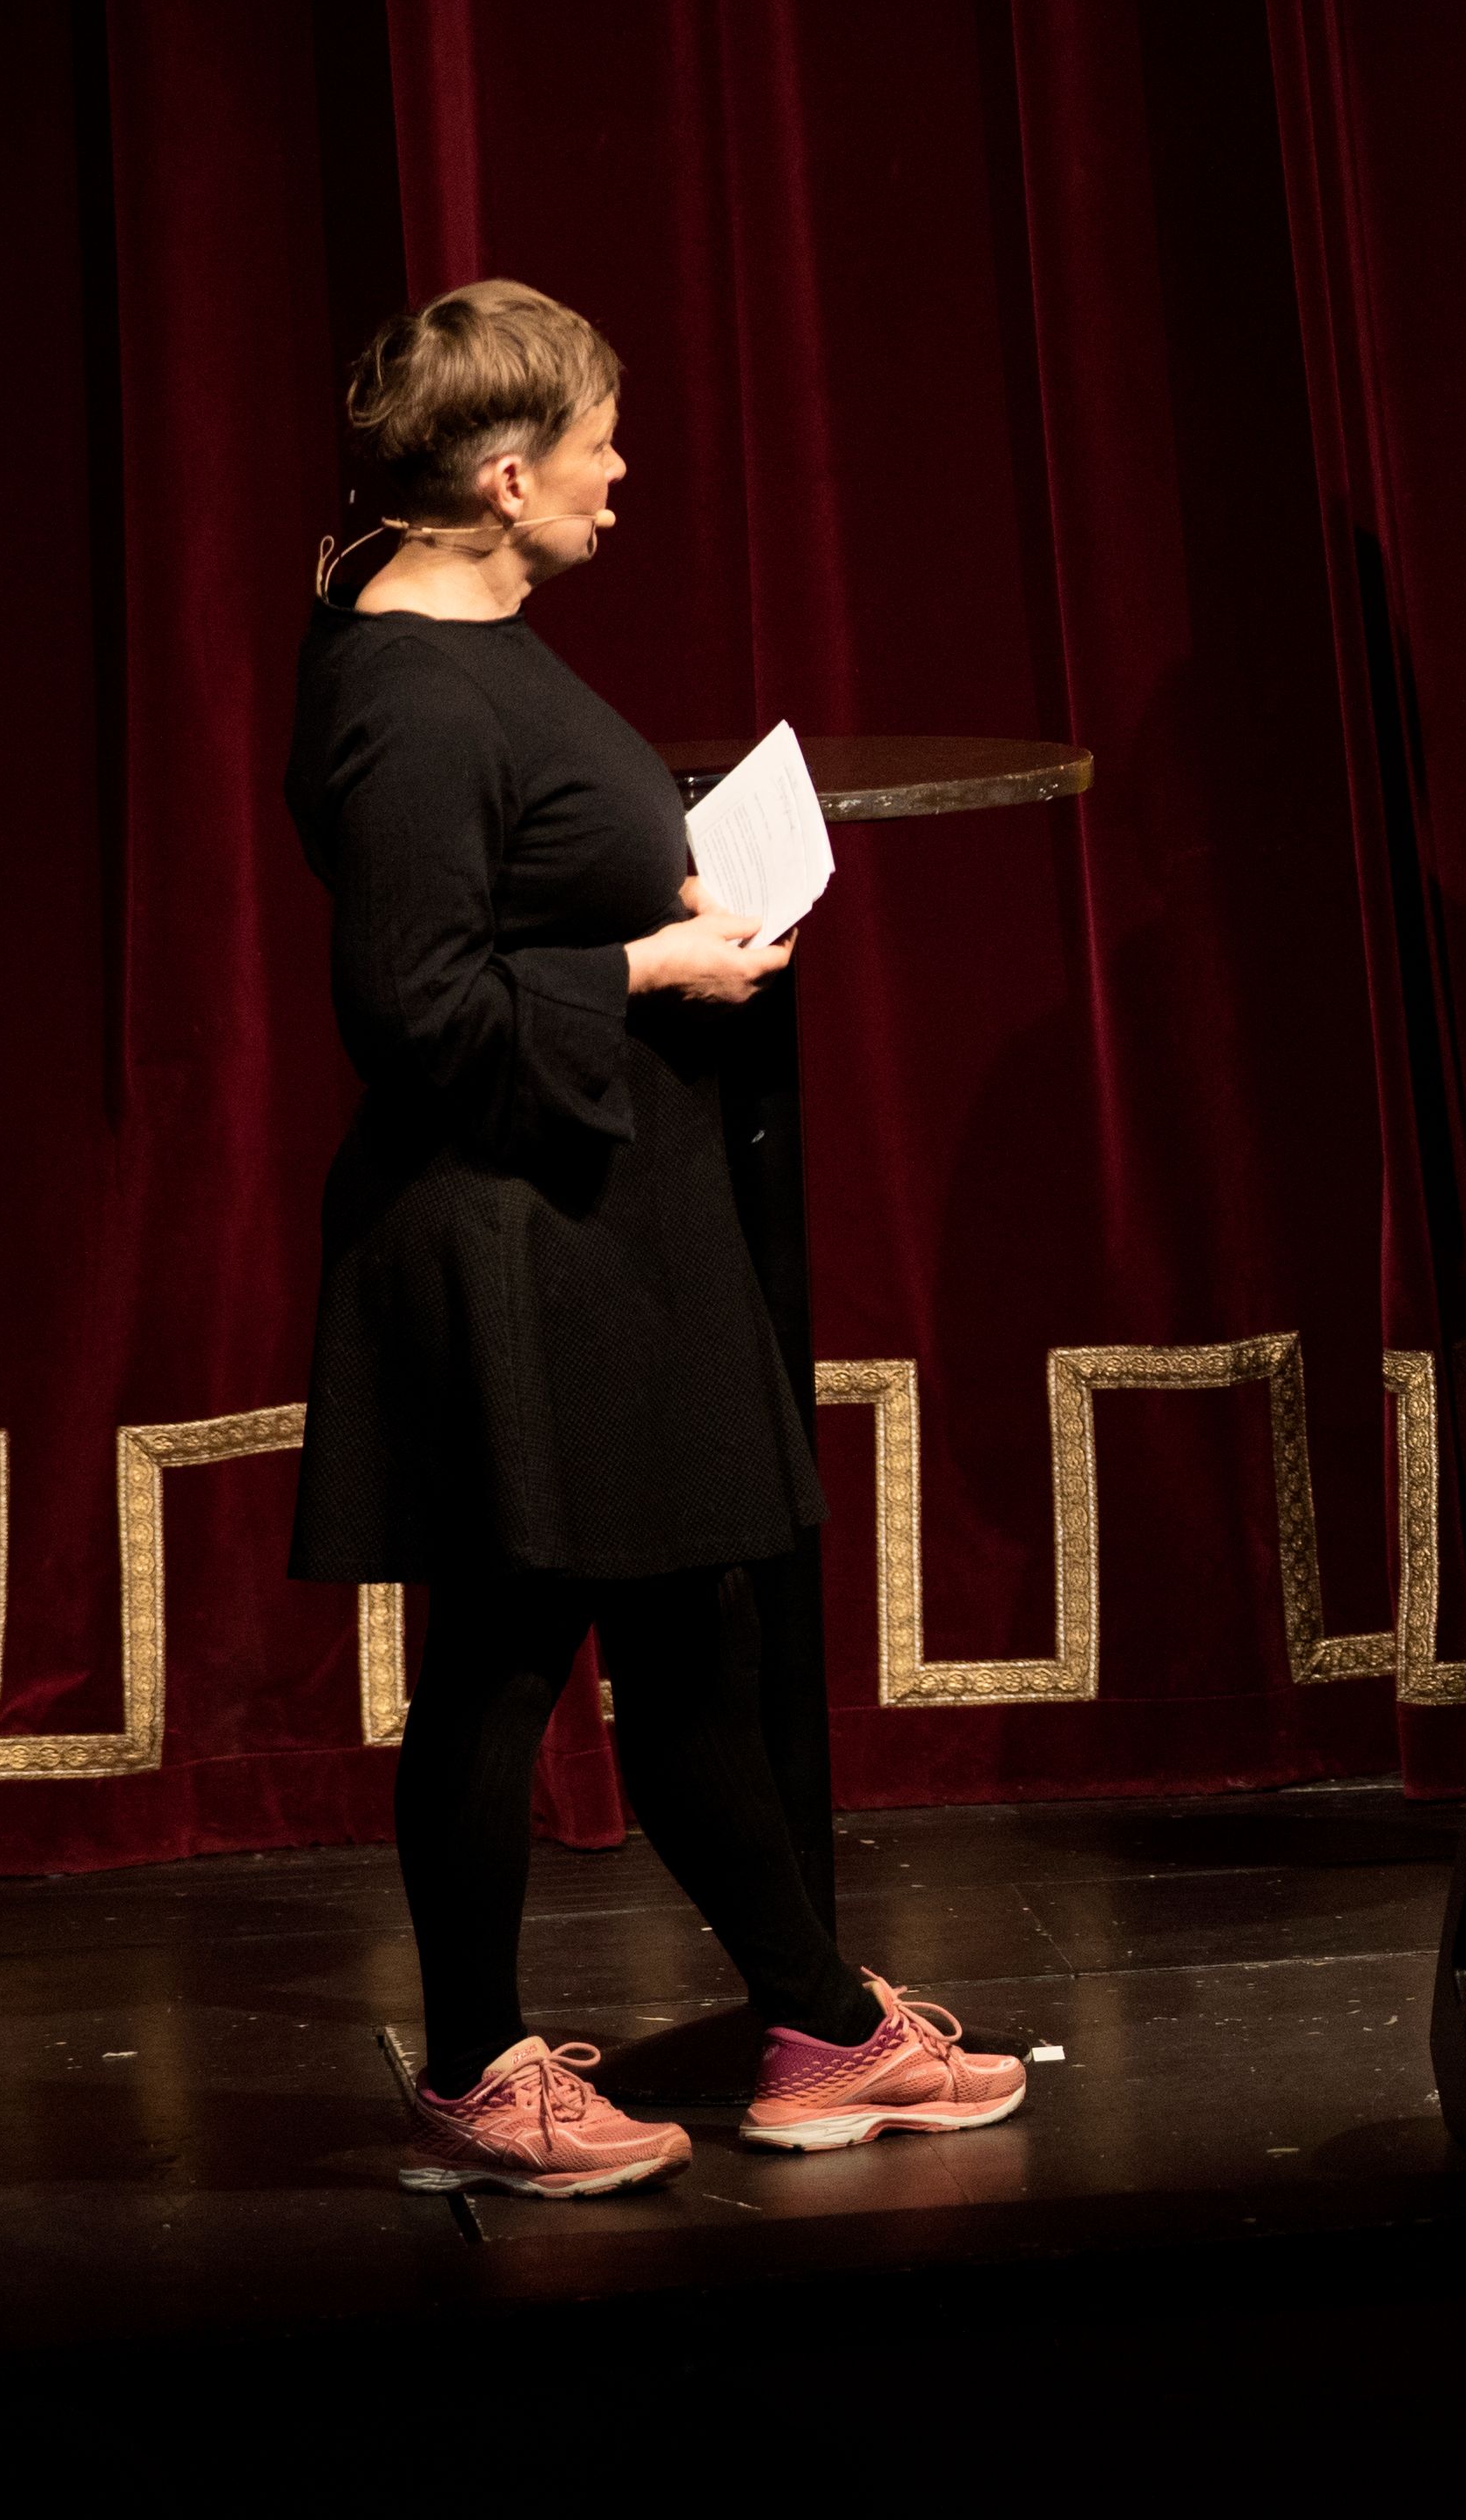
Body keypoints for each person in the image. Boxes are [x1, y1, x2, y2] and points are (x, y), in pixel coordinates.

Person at [294, 280, 1028, 2199]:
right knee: (504, 1660)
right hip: (511, 1242)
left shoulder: (484, 641)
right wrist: (649, 962)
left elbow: (537, 873)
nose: (623, 474)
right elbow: (412, 1007)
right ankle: (477, 2073)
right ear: (507, 476)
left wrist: (676, 886)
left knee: (694, 1632)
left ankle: (821, 2029)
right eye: (598, 445)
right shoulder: (404, 694)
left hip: (606, 1226)